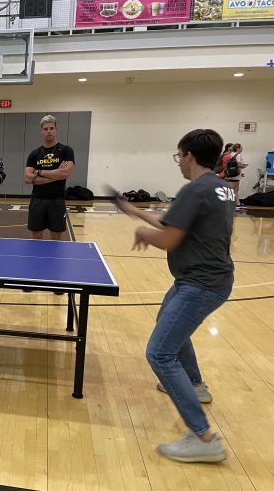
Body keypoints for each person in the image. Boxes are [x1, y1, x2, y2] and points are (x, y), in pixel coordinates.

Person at [114, 128, 234, 463]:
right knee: (169, 328)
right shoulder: (221, 188)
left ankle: (204, 437)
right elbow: (174, 223)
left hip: (200, 282)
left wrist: (142, 231)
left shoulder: (195, 189)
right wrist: (135, 212)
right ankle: (194, 385)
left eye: (179, 156)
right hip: (209, 278)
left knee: (159, 352)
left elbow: (168, 239)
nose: (179, 162)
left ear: (189, 156)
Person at [24, 115, 75, 240]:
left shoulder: (66, 150)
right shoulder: (34, 154)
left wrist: (39, 171)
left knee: (56, 236)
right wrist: (56, 174)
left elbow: (66, 173)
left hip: (57, 200)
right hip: (37, 200)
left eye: (51, 128)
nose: (49, 131)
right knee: (36, 235)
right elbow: (27, 179)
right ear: (41, 131)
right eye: (46, 129)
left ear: (56, 130)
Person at [225, 143, 248, 210]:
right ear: (238, 148)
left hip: (231, 174)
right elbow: (237, 164)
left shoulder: (231, 154)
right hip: (235, 175)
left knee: (234, 190)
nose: (242, 149)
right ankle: (231, 204)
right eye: (241, 147)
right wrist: (244, 165)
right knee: (234, 190)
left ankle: (237, 204)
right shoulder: (238, 155)